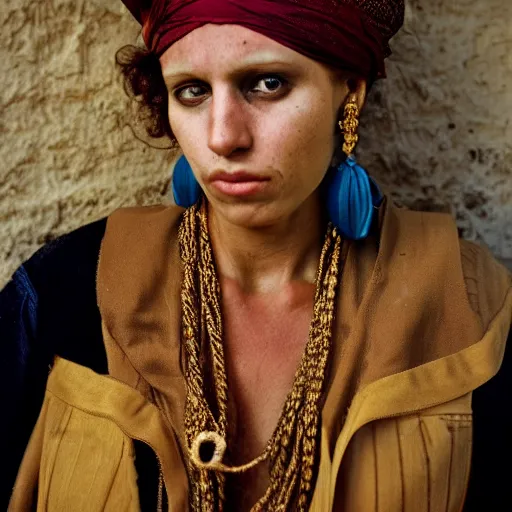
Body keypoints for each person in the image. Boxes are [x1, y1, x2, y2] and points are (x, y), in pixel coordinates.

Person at [1, 0, 511, 510]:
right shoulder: (60, 295)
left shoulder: (470, 309)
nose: (224, 137)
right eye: (192, 91)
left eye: (266, 84)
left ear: (349, 90)